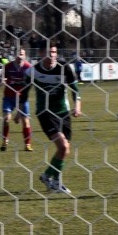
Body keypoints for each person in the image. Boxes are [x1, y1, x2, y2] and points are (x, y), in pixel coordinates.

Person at [26, 43, 83, 194]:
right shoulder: (33, 71)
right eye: (48, 52)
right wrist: (20, 110)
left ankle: (50, 178)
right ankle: (53, 180)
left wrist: (77, 106)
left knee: (64, 150)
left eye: (54, 52)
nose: (52, 55)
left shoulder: (64, 68)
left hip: (63, 112)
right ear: (40, 52)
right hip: (44, 113)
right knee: (63, 146)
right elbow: (24, 92)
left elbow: (75, 90)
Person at [0, 48, 33, 152]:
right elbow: (1, 81)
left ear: (25, 55)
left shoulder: (28, 68)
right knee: (6, 119)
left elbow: (30, 85)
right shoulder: (7, 67)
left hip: (22, 98)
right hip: (9, 97)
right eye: (18, 54)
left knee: (25, 121)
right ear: (15, 55)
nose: (20, 56)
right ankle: (5, 141)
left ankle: (27, 144)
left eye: (22, 54)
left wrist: (19, 111)